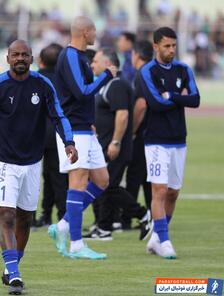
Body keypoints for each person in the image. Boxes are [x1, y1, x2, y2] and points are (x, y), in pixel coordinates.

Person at [0, 39, 77, 295]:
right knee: (6, 215)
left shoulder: (42, 85)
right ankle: (16, 275)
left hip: (32, 162)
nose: (20, 58)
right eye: (16, 54)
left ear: (32, 59)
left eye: (25, 55)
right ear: (7, 58)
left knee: (25, 218)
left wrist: (69, 142)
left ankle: (10, 268)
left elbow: (58, 115)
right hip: (2, 162)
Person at [48, 16, 117, 260]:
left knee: (102, 180)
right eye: (94, 30)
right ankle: (76, 244)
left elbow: (83, 95)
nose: (96, 34)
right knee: (77, 183)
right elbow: (81, 92)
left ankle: (64, 225)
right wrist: (106, 76)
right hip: (73, 130)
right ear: (85, 32)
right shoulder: (70, 56)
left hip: (85, 128)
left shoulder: (81, 57)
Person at [140, 27, 200, 259]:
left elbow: (195, 100)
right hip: (155, 140)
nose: (171, 50)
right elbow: (155, 103)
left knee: (173, 192)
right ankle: (164, 240)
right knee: (159, 190)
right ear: (155, 46)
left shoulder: (184, 69)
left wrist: (172, 96)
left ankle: (156, 236)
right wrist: (178, 98)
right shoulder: (147, 71)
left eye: (174, 46)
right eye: (166, 46)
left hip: (178, 139)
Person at [84, 48, 152, 241]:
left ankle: (142, 214)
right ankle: (104, 228)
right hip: (104, 146)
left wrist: (115, 142)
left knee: (109, 185)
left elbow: (122, 114)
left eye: (96, 61)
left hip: (116, 147)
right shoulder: (105, 85)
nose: (92, 64)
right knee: (102, 185)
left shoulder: (117, 85)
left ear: (108, 64)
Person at [33, 43, 68, 228]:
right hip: (57, 135)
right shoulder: (64, 80)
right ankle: (63, 217)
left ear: (40, 61)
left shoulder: (35, 80)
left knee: (32, 177)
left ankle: (37, 216)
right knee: (58, 178)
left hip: (35, 135)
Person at [124, 40, 154, 220]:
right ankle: (153, 214)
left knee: (134, 175)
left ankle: (128, 216)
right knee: (147, 177)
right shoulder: (153, 71)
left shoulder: (141, 74)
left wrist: (133, 130)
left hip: (143, 132)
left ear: (136, 55)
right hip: (153, 131)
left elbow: (141, 105)